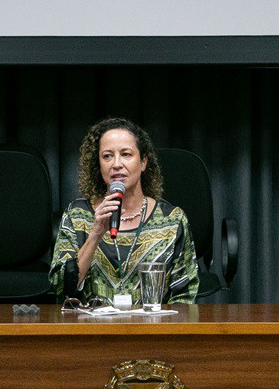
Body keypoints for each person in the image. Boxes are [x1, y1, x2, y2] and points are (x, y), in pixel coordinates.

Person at [51, 117, 198, 305]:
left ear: (143, 162)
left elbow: (185, 295)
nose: (116, 164)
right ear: (99, 165)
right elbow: (60, 286)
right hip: (91, 328)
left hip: (153, 329)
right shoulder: (77, 216)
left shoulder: (172, 220)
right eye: (107, 156)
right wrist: (95, 234)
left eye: (126, 154)